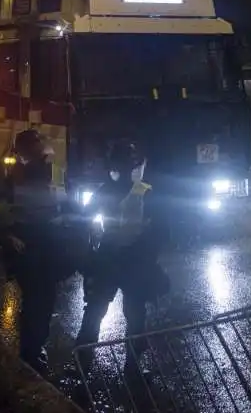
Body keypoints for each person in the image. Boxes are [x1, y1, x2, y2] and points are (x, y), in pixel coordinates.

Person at [75, 141, 169, 373]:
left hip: (112, 258)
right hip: (131, 259)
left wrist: (89, 252)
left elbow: (82, 221)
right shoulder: (144, 192)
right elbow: (161, 230)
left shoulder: (105, 191)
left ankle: (82, 366)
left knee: (98, 311)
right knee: (133, 314)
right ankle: (131, 367)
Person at [6, 129, 74, 374]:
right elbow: (5, 212)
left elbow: (68, 205)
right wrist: (10, 238)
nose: (39, 149)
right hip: (28, 244)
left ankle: (35, 347)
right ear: (23, 150)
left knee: (45, 299)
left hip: (50, 244)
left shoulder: (55, 172)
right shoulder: (14, 175)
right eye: (32, 146)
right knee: (35, 298)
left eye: (39, 144)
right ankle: (30, 352)